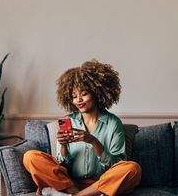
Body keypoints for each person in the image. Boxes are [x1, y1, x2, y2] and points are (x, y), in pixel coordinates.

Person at [23, 59, 142, 196]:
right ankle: (76, 193)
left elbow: (116, 164)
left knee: (133, 169)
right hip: (69, 183)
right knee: (30, 156)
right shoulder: (67, 121)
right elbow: (62, 165)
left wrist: (94, 141)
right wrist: (63, 146)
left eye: (84, 94)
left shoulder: (113, 123)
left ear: (97, 93)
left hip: (101, 183)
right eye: (74, 96)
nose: (78, 100)